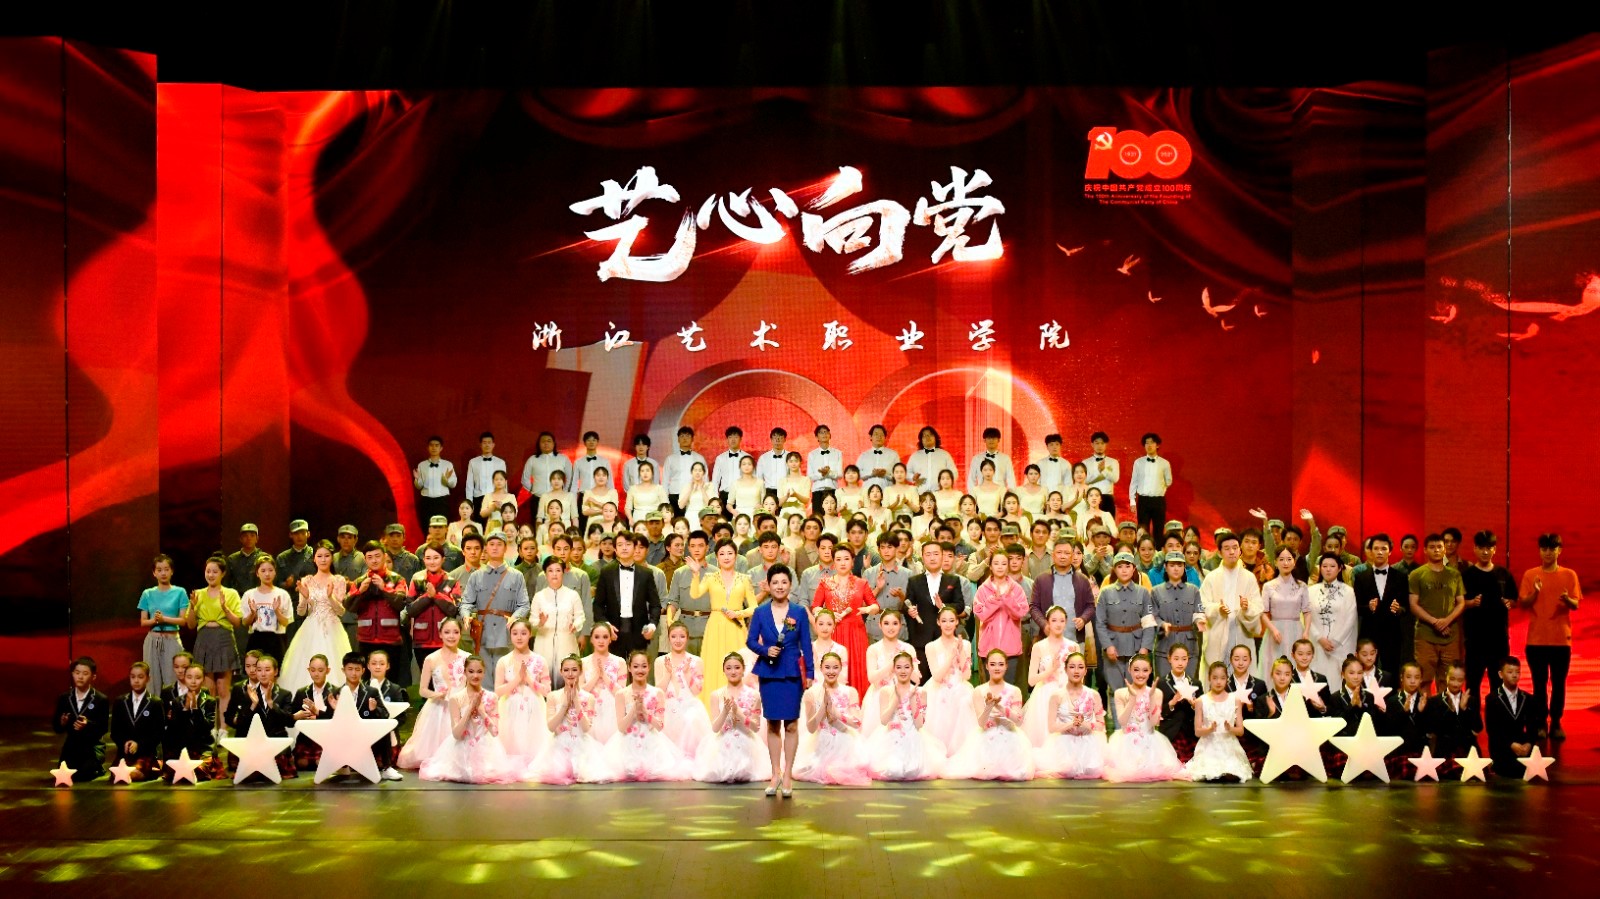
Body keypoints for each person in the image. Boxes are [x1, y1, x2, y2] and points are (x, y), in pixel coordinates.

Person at [746, 564, 813, 796]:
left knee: (791, 724)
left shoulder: (799, 612)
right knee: (773, 723)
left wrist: (810, 673)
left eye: (784, 582)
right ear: (768, 585)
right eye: (775, 582)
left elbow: (806, 644)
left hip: (792, 672)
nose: (780, 586)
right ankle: (775, 773)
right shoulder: (760, 612)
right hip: (769, 673)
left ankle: (787, 775)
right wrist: (765, 650)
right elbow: (750, 641)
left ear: (790, 585)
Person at [1518, 533, 1580, 740]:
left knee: (1559, 683)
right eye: (1544, 549)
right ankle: (1540, 722)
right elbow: (1523, 603)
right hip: (1536, 640)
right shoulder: (1531, 575)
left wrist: (1567, 599)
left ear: (1559, 551)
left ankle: (1556, 722)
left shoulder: (1569, 575)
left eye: (1552, 549)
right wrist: (1535, 593)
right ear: (1539, 551)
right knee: (1539, 684)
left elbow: (1576, 604)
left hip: (1561, 640)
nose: (1547, 553)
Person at [420, 655, 519, 784]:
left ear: (484, 673)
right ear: (465, 672)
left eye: (479, 671)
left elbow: (494, 732)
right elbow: (456, 734)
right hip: (462, 748)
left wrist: (482, 711)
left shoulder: (492, 697)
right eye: (471, 671)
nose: (475, 676)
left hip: (486, 749)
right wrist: (470, 709)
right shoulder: (456, 699)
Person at [945, 650, 1034, 781]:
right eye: (992, 664)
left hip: (1010, 737)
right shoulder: (979, 691)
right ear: (987, 666)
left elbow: (1018, 721)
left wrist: (1000, 707)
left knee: (1019, 773)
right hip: (986, 738)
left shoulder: (1015, 691)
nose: (997, 668)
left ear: (1006, 666)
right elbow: (982, 724)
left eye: (1000, 664)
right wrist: (989, 707)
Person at [526, 655, 615, 784]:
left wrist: (577, 703)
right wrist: (565, 705)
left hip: (582, 746)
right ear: (561, 672)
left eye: (574, 670)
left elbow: (586, 728)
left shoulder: (588, 697)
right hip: (559, 746)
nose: (570, 674)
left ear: (580, 671)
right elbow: (551, 727)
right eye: (566, 670)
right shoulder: (553, 696)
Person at [1096, 552, 1157, 727]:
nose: (1124, 570)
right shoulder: (1106, 592)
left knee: (1136, 690)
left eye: (1128, 566)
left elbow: (1148, 623)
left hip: (1136, 648)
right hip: (1113, 648)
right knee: (1116, 691)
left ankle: (1136, 730)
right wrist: (1107, 645)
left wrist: (1144, 648)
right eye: (1120, 566)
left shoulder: (1143, 593)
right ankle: (1119, 731)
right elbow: (1100, 623)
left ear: (1134, 569)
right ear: (1114, 569)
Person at [1102, 653, 1185, 782]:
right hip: (1126, 743)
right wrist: (1132, 699)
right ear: (1129, 670)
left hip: (1150, 741)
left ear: (1150, 671)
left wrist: (1151, 698)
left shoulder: (1156, 693)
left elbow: (1154, 722)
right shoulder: (1120, 693)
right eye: (1136, 670)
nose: (1140, 674)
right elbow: (1122, 722)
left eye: (1145, 670)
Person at [398, 618, 467, 769]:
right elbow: (422, 690)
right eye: (447, 632)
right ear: (440, 634)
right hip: (439, 708)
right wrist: (437, 695)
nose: (451, 636)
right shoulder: (431, 658)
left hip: (461, 707)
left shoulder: (466, 658)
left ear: (460, 634)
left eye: (455, 632)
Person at [865, 652, 945, 781]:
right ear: (894, 669)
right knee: (892, 769)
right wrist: (895, 699)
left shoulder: (921, 692)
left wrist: (913, 699)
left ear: (912, 669)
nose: (903, 671)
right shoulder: (886, 691)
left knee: (913, 769)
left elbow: (919, 724)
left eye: (907, 667)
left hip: (913, 737)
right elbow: (884, 721)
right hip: (890, 738)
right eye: (899, 667)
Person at [793, 653, 870, 787]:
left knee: (842, 770)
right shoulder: (811, 693)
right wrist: (822, 710)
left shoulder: (850, 691)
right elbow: (811, 728)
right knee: (807, 769)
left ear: (840, 668)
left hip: (845, 741)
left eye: (835, 667)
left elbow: (857, 723)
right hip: (821, 740)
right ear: (821, 669)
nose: (831, 671)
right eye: (827, 667)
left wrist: (836, 713)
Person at [693, 653, 771, 784]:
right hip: (723, 742)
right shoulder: (716, 695)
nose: (733, 671)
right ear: (724, 671)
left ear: (743, 669)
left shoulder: (754, 695)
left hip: (747, 743)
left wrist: (739, 714)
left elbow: (756, 727)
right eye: (728, 668)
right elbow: (715, 728)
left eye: (737, 667)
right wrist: (725, 712)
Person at [1460, 530, 1517, 706]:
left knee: (1498, 682)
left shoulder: (1503, 574)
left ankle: (1497, 719)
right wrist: (1470, 603)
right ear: (1475, 549)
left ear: (1494, 549)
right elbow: (1458, 602)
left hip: (1498, 638)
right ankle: (1472, 719)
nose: (1485, 552)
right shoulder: (1467, 575)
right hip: (1474, 638)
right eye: (1481, 548)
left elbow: (1514, 599)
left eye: (1489, 548)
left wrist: (1509, 603)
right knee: (1473, 682)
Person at [814, 545, 876, 699]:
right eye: (838, 559)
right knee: (834, 668)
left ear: (853, 561)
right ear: (833, 562)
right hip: (833, 633)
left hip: (856, 633)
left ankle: (856, 706)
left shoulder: (861, 583)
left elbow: (875, 606)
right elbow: (815, 607)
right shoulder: (825, 583)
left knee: (857, 669)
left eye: (846, 559)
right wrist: (827, 614)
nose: (842, 563)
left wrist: (867, 609)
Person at [186, 556, 242, 727]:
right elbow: (190, 624)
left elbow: (237, 622)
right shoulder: (198, 594)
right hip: (204, 639)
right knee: (208, 689)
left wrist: (225, 608)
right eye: (208, 571)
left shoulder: (231, 594)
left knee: (223, 688)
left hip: (224, 639)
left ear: (222, 573)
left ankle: (223, 728)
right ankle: (210, 728)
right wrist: (193, 607)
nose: (210, 575)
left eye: (215, 571)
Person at [1408, 534, 1466, 697]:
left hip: (1450, 635)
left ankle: (1445, 710)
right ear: (1425, 550)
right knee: (1423, 679)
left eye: (1439, 547)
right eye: (1432, 547)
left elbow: (1461, 602)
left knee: (1449, 680)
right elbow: (1413, 604)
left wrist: (1446, 621)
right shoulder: (1417, 574)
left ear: (1444, 549)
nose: (1436, 550)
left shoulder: (1454, 574)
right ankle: (1424, 710)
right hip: (1425, 635)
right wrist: (1435, 622)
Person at [347, 540, 411, 685]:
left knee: (391, 681)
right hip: (366, 639)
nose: (374, 560)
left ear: (384, 556)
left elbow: (400, 604)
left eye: (377, 556)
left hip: (391, 640)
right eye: (370, 557)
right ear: (365, 559)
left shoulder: (397, 579)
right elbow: (349, 606)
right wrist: (360, 592)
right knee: (367, 682)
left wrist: (384, 588)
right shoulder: (360, 581)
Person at [1034, 652, 1106, 779]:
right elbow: (1051, 727)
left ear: (1086, 670)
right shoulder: (1057, 695)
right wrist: (1071, 724)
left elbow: (1100, 725)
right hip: (1064, 743)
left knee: (1093, 768)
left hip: (1089, 743)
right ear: (1066, 669)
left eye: (1080, 667)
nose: (1076, 671)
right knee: (1063, 768)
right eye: (1072, 667)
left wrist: (1084, 724)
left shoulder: (1093, 695)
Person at [226, 655, 296, 779]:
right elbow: (241, 723)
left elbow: (289, 722)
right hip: (254, 743)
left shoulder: (284, 694)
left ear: (276, 671)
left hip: (275, 742)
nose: (263, 674)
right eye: (259, 670)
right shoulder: (249, 694)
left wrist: (270, 703)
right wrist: (253, 705)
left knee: (274, 767)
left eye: (267, 670)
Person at [1020, 606, 1081, 747]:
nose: (1058, 624)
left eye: (1062, 620)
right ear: (1048, 622)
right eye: (1054, 620)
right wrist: (1051, 670)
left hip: (1068, 694)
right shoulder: (1039, 647)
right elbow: (1031, 680)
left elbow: (1080, 677)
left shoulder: (1073, 646)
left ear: (1066, 622)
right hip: (1045, 696)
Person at [594, 531, 661, 659]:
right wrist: (606, 625)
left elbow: (655, 604)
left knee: (637, 668)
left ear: (635, 548)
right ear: (615, 549)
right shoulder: (606, 572)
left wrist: (652, 625)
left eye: (628, 544)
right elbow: (598, 605)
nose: (624, 548)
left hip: (639, 632)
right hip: (613, 632)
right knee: (614, 669)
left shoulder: (646, 573)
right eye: (620, 545)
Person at [493, 619, 550, 767]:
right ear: (510, 635)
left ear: (530, 634)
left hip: (534, 706)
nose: (519, 637)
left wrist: (529, 679)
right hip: (509, 707)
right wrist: (517, 679)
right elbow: (498, 691)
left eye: (523, 633)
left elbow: (547, 691)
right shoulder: (503, 661)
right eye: (515, 633)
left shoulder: (540, 660)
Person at [1184, 661, 1253, 782]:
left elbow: (1240, 731)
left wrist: (1230, 728)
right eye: (1215, 678)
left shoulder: (1235, 700)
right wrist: (1210, 729)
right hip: (1208, 746)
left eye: (1222, 678)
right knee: (1209, 772)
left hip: (1229, 747)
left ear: (1227, 679)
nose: (1218, 682)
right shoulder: (1201, 701)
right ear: (1209, 678)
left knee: (1232, 773)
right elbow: (1197, 732)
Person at [1352, 533, 1410, 674]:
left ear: (1390, 551)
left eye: (1383, 549)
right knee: (1365, 671)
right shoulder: (1361, 577)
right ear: (1370, 551)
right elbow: (1356, 607)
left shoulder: (1401, 577)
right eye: (1376, 548)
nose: (1379, 552)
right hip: (1369, 632)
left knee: (1392, 671)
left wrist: (1398, 609)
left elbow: (1406, 607)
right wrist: (1369, 608)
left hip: (1392, 633)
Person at [1200, 533, 1262, 665]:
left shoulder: (1249, 577)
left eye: (1235, 548)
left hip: (1241, 632)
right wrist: (1217, 609)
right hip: (1218, 632)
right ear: (1220, 552)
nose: (1232, 552)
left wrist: (1247, 607)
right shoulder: (1211, 578)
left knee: (1241, 670)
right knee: (1218, 671)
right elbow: (1202, 605)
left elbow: (1258, 605)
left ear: (1240, 550)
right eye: (1227, 548)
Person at [858, 611, 920, 736]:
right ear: (880, 625)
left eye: (895, 623)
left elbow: (917, 678)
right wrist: (892, 663)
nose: (890, 627)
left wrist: (907, 666)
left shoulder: (908, 648)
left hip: (904, 696)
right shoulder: (873, 649)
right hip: (879, 696)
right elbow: (871, 678)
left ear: (900, 625)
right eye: (886, 623)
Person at [657, 623, 713, 758]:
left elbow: (697, 691)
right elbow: (659, 692)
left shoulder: (696, 661)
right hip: (668, 707)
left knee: (690, 721)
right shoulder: (660, 661)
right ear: (668, 638)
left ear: (687, 638)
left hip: (690, 706)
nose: (678, 640)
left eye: (682, 636)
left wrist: (687, 673)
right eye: (674, 636)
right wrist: (668, 674)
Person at [975, 551, 1030, 684]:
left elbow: (1022, 613)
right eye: (996, 563)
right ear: (990, 566)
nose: (1000, 567)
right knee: (991, 687)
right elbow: (980, 614)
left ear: (1008, 566)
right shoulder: (983, 589)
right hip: (989, 646)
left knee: (1009, 687)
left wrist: (1008, 599)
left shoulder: (1016, 589)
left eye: (1004, 563)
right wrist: (994, 601)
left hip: (1010, 646)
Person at [137, 554, 188, 695]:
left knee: (173, 678)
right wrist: (155, 620)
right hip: (153, 639)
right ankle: (154, 707)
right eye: (159, 570)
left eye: (166, 569)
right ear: (154, 573)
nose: (163, 573)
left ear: (172, 571)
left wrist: (164, 619)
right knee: (152, 679)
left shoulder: (180, 592)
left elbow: (183, 620)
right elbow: (143, 622)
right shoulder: (147, 593)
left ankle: (174, 707)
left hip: (171, 639)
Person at [162, 663, 220, 781]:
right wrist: (185, 709)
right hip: (183, 747)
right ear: (184, 678)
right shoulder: (177, 701)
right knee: (175, 772)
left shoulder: (210, 701)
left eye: (197, 678)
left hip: (203, 746)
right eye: (189, 677)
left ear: (203, 679)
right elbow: (175, 728)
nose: (193, 681)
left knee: (200, 770)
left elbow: (207, 726)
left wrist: (196, 709)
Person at [52, 657, 106, 782]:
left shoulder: (100, 699)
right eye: (77, 673)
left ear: (93, 677)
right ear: (72, 674)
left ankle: (97, 767)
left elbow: (103, 728)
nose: (80, 677)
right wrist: (62, 723)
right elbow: (57, 728)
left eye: (85, 673)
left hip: (92, 747)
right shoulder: (65, 698)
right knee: (64, 775)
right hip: (71, 746)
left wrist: (87, 725)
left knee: (83, 775)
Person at [1151, 550, 1205, 677]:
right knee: (1164, 684)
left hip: (1189, 645)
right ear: (1165, 567)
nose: (1176, 569)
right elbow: (1152, 616)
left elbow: (1199, 611)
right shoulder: (1156, 591)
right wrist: (1162, 624)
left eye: (1179, 565)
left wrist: (1199, 620)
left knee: (1188, 683)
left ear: (1184, 567)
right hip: (1165, 645)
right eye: (1172, 565)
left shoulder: (1194, 590)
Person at [528, 555, 584, 674]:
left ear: (563, 572)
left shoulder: (573, 595)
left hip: (566, 640)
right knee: (543, 675)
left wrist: (575, 625)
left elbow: (580, 616)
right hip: (544, 641)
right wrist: (540, 622)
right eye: (550, 571)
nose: (554, 574)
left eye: (558, 570)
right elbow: (532, 620)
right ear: (545, 574)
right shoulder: (539, 596)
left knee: (567, 674)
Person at [1259, 546, 1309, 679]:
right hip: (1275, 631)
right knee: (1274, 666)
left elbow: (1307, 611)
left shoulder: (1302, 586)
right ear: (1275, 562)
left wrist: (1306, 631)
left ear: (1294, 562)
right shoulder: (1268, 586)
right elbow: (1263, 613)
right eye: (1281, 559)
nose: (1285, 563)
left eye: (1289, 559)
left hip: (1296, 629)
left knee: (1296, 665)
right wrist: (1273, 629)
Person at [1307, 553, 1358, 682]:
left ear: (1339, 568)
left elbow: (1351, 619)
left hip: (1341, 645)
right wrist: (1319, 638)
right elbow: (1307, 617)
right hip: (1317, 643)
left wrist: (1335, 641)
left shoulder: (1348, 591)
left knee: (1338, 679)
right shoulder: (1311, 591)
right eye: (1324, 566)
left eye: (1332, 566)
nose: (1328, 569)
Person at [111, 662, 163, 780]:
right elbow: (115, 731)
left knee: (135, 774)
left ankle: (155, 765)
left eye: (140, 677)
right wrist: (124, 743)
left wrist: (139, 744)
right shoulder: (120, 701)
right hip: (125, 753)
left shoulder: (155, 702)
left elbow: (158, 733)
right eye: (133, 677)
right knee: (119, 775)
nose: (136, 680)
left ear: (148, 678)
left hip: (146, 752)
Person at [363, 650, 410, 779]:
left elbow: (402, 717)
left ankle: (386, 766)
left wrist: (388, 725)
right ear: (368, 666)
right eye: (374, 663)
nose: (377, 667)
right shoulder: (361, 687)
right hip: (366, 732)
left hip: (388, 734)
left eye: (382, 663)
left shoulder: (395, 689)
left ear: (388, 666)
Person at [581, 623, 628, 744]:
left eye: (605, 637)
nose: (601, 641)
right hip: (590, 710)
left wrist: (604, 676)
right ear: (591, 639)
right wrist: (596, 676)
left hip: (612, 710)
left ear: (610, 639)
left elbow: (622, 693)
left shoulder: (620, 662)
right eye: (597, 637)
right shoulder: (583, 662)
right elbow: (580, 692)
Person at [289, 655, 336, 771]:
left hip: (328, 737)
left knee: (323, 762)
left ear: (328, 670)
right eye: (313, 670)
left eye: (320, 670)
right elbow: (291, 718)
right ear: (308, 670)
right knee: (301, 763)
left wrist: (318, 714)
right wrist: (298, 716)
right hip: (307, 738)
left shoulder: (335, 692)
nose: (316, 674)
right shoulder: (302, 692)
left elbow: (338, 719)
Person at [1154, 645, 1200, 762]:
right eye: (1176, 659)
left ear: (1188, 660)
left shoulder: (1195, 683)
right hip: (1170, 732)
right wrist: (1172, 702)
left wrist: (1194, 705)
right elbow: (1156, 713)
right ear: (1169, 659)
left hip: (1190, 732)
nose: (1180, 663)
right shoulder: (1161, 683)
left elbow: (1203, 712)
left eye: (1184, 659)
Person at [1429, 662, 1481, 763]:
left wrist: (1463, 710)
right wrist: (1451, 712)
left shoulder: (1471, 700)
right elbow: (1434, 729)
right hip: (1444, 752)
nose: (1455, 684)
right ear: (1446, 676)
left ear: (1464, 680)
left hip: (1467, 751)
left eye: (1460, 680)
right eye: (1452, 679)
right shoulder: (1434, 701)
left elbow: (1478, 727)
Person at [1127, 433, 1172, 537]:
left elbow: (1169, 481)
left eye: (1152, 442)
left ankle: (1158, 547)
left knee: (1158, 530)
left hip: (1158, 500)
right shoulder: (1138, 462)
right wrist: (1132, 500)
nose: (1149, 445)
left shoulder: (1165, 463)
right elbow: (1134, 481)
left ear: (1157, 445)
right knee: (1142, 530)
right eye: (1146, 443)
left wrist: (1159, 486)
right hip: (1143, 500)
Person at [464, 432, 507, 526]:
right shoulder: (473, 462)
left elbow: (504, 484)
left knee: (495, 527)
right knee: (479, 527)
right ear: (480, 445)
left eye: (489, 442)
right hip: (478, 499)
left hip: (495, 498)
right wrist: (469, 505)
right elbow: (469, 485)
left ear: (493, 445)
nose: (487, 445)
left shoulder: (500, 463)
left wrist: (503, 501)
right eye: (484, 442)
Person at [1081, 431, 1120, 517]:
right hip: (1092, 497)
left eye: (1102, 443)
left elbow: (1115, 479)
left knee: (1108, 524)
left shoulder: (1113, 462)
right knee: (1091, 523)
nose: (1100, 446)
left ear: (1106, 445)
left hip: (1107, 497)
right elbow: (1085, 480)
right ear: (1092, 444)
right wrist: (1099, 471)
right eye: (1097, 443)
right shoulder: (1085, 462)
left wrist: (1104, 470)